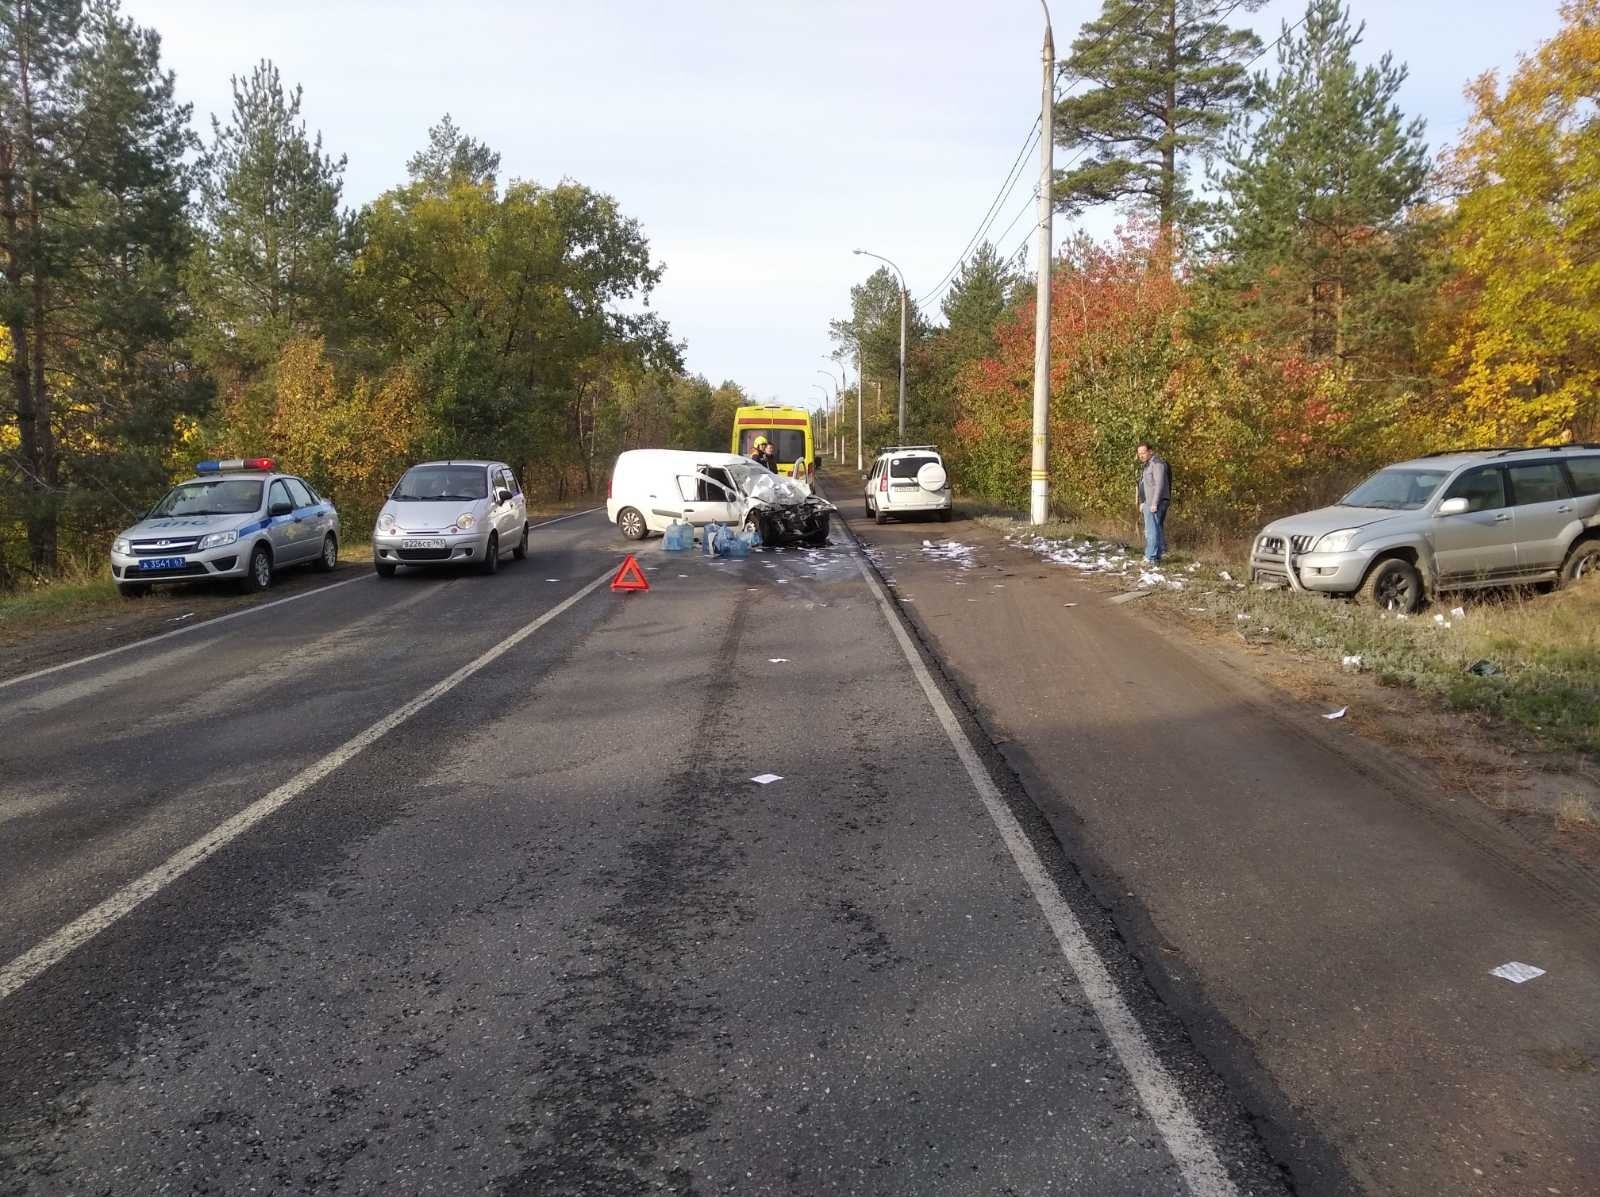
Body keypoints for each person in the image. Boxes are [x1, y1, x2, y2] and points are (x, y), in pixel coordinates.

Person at [1136, 440, 1170, 564]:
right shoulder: (1147, 465)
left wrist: (1154, 503)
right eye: (1139, 453)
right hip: (1149, 502)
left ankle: (1150, 557)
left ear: (1150, 451)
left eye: (1143, 453)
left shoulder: (1157, 464)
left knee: (1151, 530)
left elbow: (1159, 484)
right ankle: (1156, 556)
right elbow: (1146, 486)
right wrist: (1143, 502)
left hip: (1156, 503)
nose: (1141, 456)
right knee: (1156, 529)